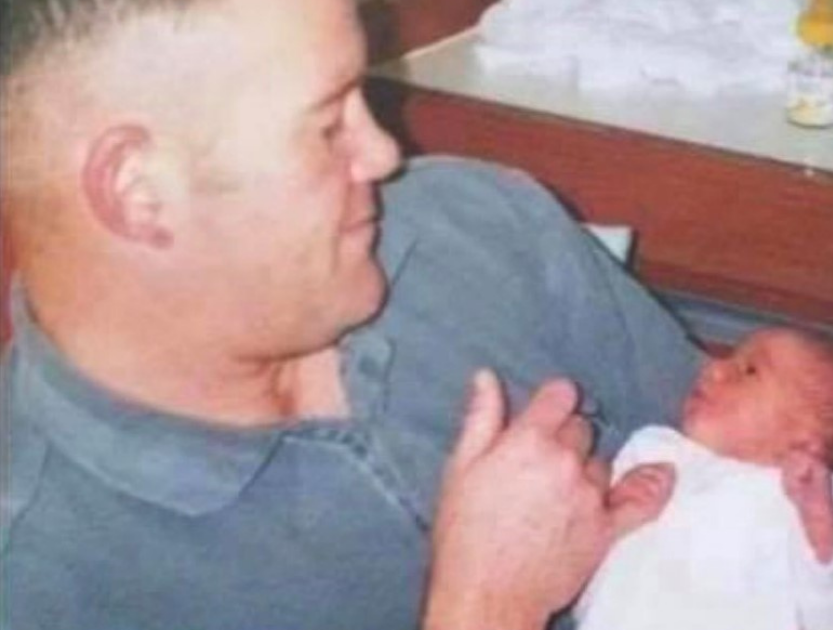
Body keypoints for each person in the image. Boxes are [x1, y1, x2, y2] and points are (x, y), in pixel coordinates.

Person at [0, 0, 701, 628]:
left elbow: (736, 447)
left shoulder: (481, 224)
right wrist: (486, 609)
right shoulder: (37, 579)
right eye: (330, 124)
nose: (385, 153)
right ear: (139, 191)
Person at [576, 327, 833, 630]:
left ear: (804, 441)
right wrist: (616, 510)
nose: (714, 368)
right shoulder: (656, 450)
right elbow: (573, 550)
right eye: (730, 357)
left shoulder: (805, 508)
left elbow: (828, 606)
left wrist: (820, 523)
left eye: (750, 371)